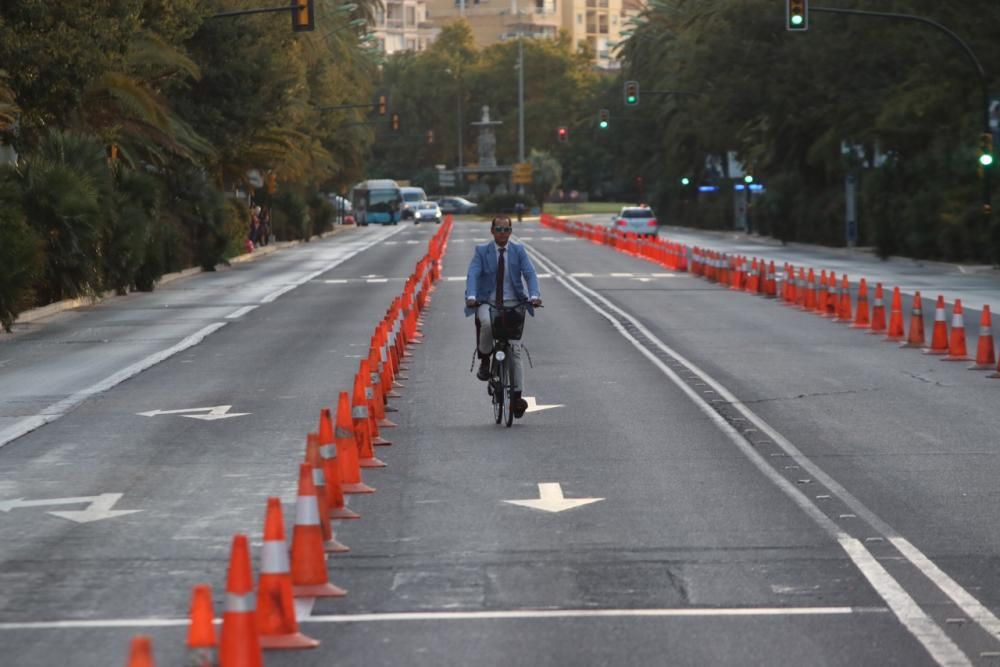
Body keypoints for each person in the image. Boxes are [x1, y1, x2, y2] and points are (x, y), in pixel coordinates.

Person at [465, 216, 542, 418]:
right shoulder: (482, 252)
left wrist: (534, 296)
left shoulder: (519, 251)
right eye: (498, 229)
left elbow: (530, 274)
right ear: (492, 230)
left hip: (513, 303)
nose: (502, 233)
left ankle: (517, 398)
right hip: (487, 302)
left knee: (515, 349)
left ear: (511, 231)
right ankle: (484, 360)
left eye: (506, 229)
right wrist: (472, 296)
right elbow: (473, 274)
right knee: (487, 324)